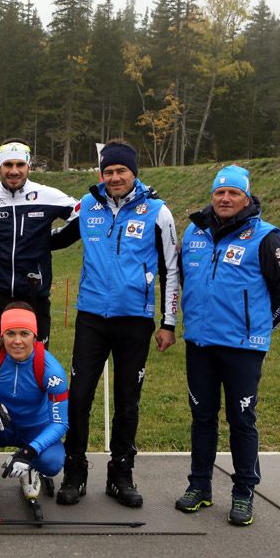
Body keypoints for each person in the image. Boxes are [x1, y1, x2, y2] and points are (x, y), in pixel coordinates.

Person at [50, 140, 179, 507]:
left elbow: (171, 268)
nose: (114, 177)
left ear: (134, 172)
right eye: (108, 172)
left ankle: (121, 475)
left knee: (127, 401)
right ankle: (75, 473)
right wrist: (14, 239)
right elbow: (59, 239)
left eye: (121, 171)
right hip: (91, 316)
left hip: (135, 320)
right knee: (78, 397)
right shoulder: (88, 204)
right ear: (100, 175)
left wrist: (168, 322)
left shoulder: (158, 211)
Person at [176, 165, 280, 526]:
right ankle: (200, 487)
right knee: (202, 417)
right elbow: (185, 280)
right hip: (200, 344)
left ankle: (244, 491)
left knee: (241, 419)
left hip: (243, 348)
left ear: (247, 198)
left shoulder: (266, 238)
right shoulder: (195, 233)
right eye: (219, 193)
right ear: (211, 196)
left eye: (233, 193)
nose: (225, 198)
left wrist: (257, 327)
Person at [0, 304, 69, 514]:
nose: (17, 341)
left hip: (35, 430)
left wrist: (29, 451)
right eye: (10, 333)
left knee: (52, 463)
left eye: (24, 334)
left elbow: (60, 423)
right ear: (2, 335)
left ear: (34, 336)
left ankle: (30, 466)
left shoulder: (51, 370)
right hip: (2, 426)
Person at [0, 139, 78, 348]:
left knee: (35, 360)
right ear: (0, 167)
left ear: (28, 167)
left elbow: (82, 215)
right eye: (8, 165)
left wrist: (51, 241)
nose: (14, 171)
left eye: (20, 165)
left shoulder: (49, 195)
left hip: (34, 293)